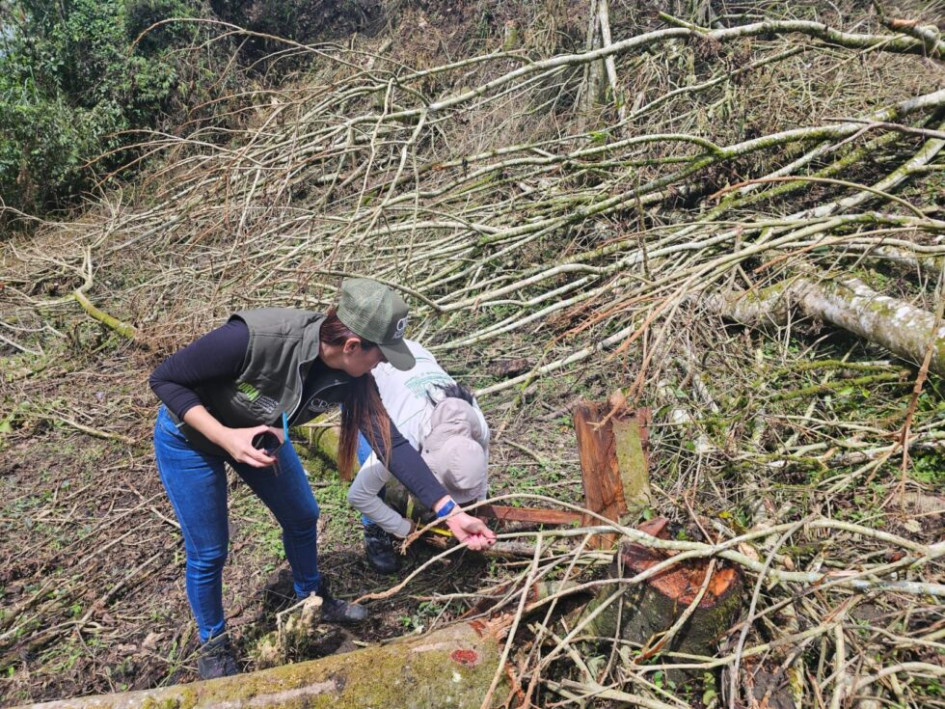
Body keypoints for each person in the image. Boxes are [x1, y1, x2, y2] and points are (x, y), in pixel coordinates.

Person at [149, 278, 496, 680]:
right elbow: (165, 379)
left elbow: (391, 444)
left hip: (260, 436)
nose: (383, 364)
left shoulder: (353, 378)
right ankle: (213, 643)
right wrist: (225, 437)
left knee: (301, 516)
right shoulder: (256, 336)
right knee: (210, 551)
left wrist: (450, 512)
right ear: (352, 347)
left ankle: (311, 598)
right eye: (381, 355)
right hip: (190, 438)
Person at [348, 339, 490, 573]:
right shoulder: (404, 435)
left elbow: (481, 463)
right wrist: (405, 528)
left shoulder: (476, 423)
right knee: (372, 461)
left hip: (411, 354)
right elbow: (359, 495)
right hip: (364, 371)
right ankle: (375, 530)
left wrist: (480, 507)